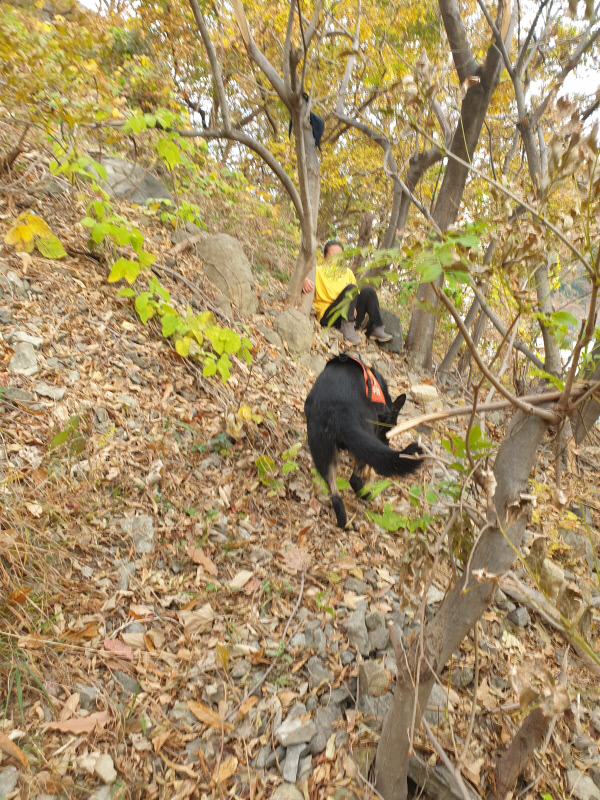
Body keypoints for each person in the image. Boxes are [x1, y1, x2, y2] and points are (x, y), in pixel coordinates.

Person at [302, 240, 392, 344]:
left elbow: (356, 296)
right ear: (325, 257)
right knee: (350, 288)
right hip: (328, 316)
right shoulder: (317, 271)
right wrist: (303, 280)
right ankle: (347, 328)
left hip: (348, 315)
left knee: (368, 292)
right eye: (332, 255)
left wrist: (352, 307)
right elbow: (298, 280)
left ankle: (377, 328)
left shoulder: (347, 272)